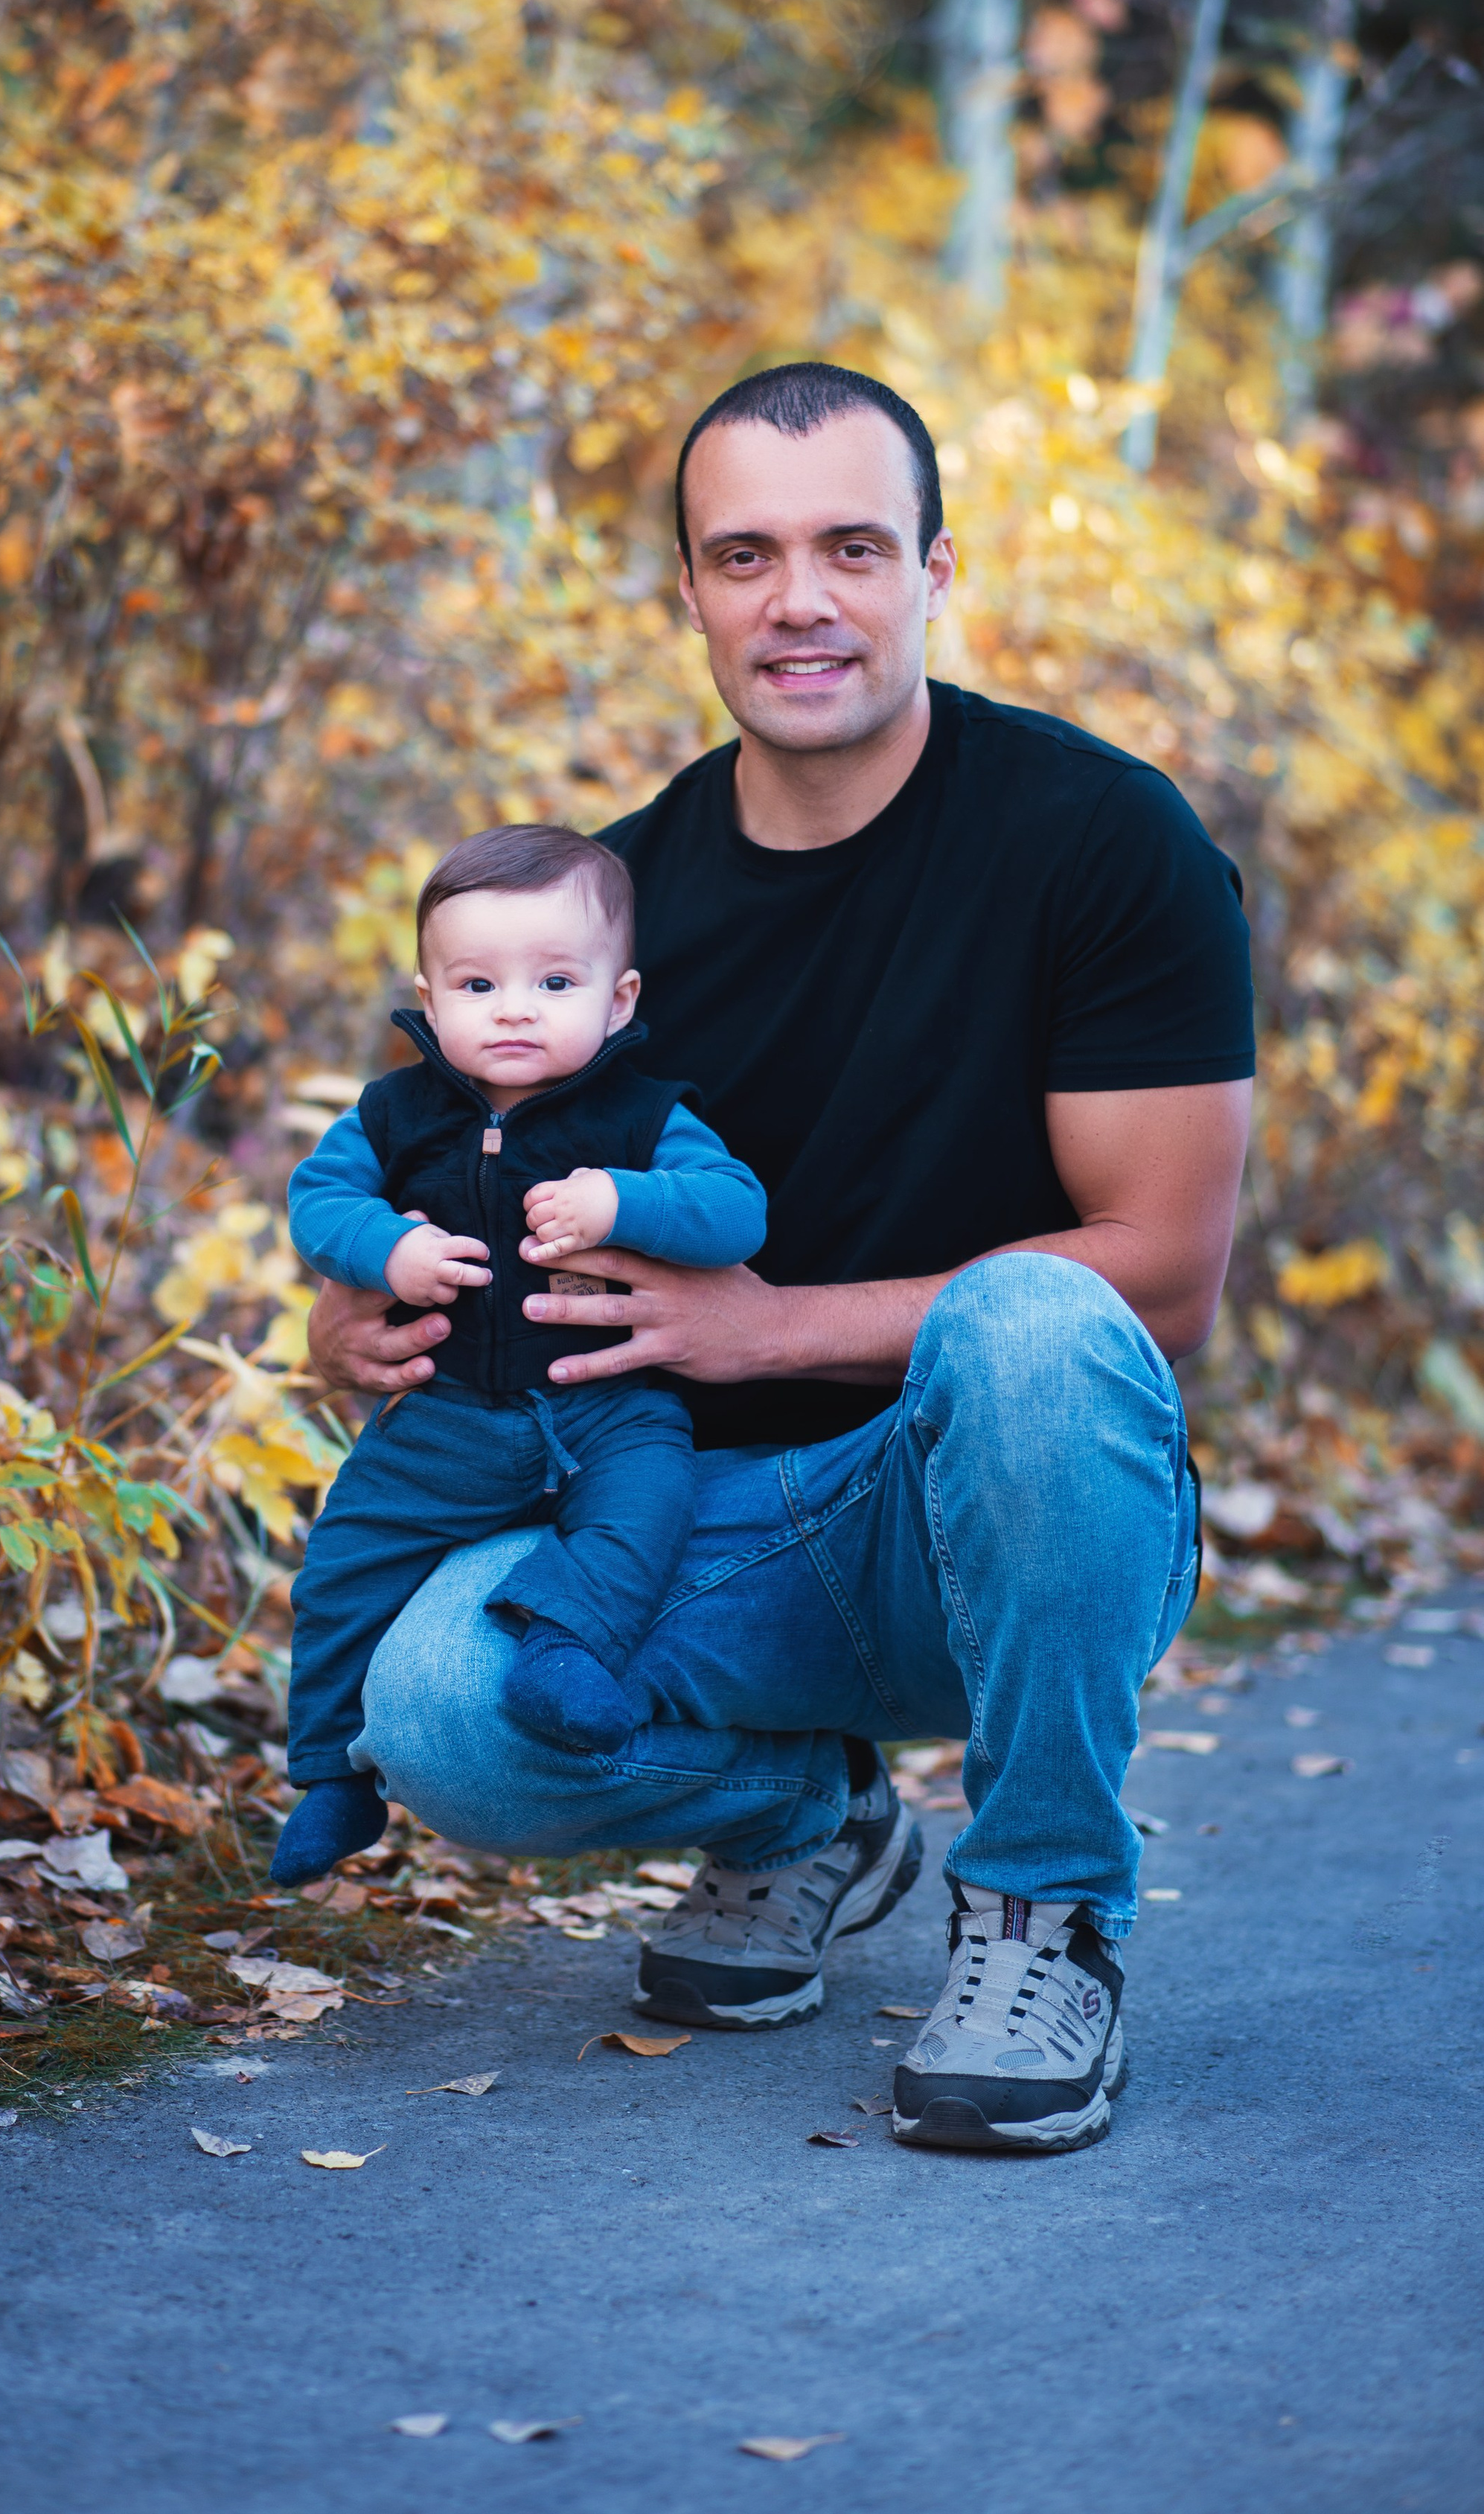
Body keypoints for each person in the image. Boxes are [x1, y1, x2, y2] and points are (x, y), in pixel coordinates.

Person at [304, 362, 1255, 2156]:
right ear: (688, 590)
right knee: (431, 1701)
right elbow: (446, 1211)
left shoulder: (1100, 843)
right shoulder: (608, 912)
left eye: (848, 548)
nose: (796, 600)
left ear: (933, 569)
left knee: (1033, 1319)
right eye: (742, 555)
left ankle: (1044, 1910)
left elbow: (1162, 1276)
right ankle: (803, 1819)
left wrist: (760, 1331)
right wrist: (358, 1318)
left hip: (995, 1507)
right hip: (699, 1537)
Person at [272, 822, 767, 1884]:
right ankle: (330, 1773)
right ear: (430, 996)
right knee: (348, 1556)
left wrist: (622, 1199)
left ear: (618, 1000)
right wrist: (388, 1247)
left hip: (609, 1406)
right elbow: (316, 1203)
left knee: (646, 1514)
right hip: (444, 1410)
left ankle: (567, 1649)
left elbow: (737, 1215)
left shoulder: (644, 1118)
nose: (514, 1007)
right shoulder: (393, 1114)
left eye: (553, 980)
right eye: (478, 982)